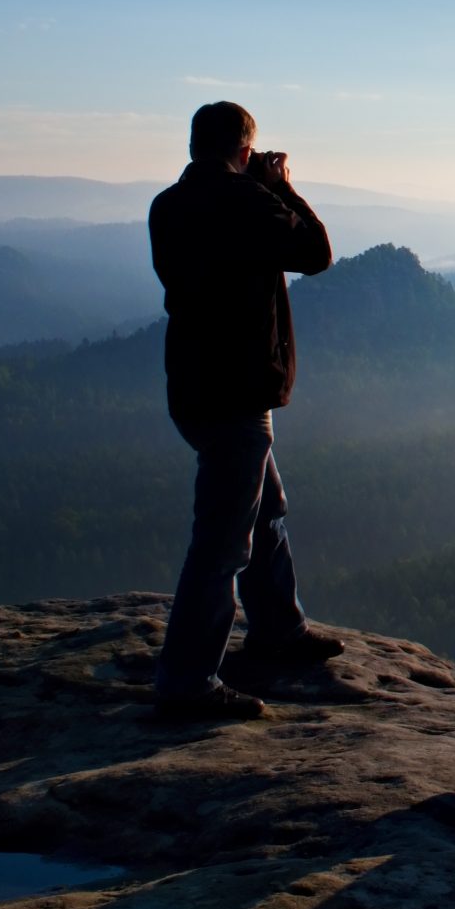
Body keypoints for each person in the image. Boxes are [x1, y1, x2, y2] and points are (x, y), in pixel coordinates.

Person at [146, 100, 344, 719]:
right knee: (222, 541)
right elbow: (315, 253)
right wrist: (281, 187)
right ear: (242, 148)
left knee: (265, 510)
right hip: (238, 393)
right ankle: (186, 682)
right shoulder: (245, 201)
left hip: (194, 387)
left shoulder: (168, 204)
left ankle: (278, 630)